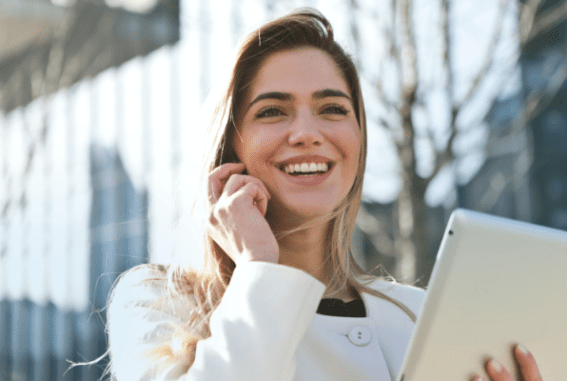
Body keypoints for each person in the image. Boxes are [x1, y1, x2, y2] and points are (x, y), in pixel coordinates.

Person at [106, 8, 543, 381]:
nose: (307, 134)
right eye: (272, 111)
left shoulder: (419, 315)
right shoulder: (158, 302)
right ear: (230, 146)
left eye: (332, 109)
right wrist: (259, 267)